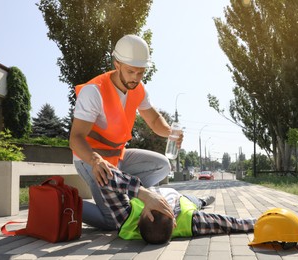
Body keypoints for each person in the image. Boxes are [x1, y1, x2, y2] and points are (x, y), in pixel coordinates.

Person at [69, 34, 182, 229]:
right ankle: (66, 203)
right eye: (131, 71)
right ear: (117, 64)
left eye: (141, 72)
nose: (135, 78)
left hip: (118, 158)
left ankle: (127, 194)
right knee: (115, 220)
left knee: (162, 166)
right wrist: (96, 161)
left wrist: (170, 132)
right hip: (91, 160)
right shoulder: (94, 91)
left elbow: (154, 120)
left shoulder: (139, 89)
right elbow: (76, 138)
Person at [87, 168, 256, 244]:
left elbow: (105, 178)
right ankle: (204, 200)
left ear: (139, 221)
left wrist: (143, 194)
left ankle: (203, 200)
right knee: (197, 202)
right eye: (162, 206)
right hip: (183, 199)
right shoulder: (193, 222)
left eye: (152, 206)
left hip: (156, 189)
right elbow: (229, 224)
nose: (159, 202)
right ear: (174, 224)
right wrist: (258, 222)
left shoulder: (126, 219)